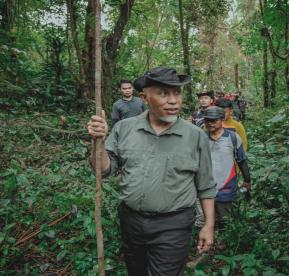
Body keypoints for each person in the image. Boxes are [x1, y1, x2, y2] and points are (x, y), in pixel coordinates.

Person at [87, 67, 216, 276]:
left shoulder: (195, 136)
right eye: (163, 93)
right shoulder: (124, 129)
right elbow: (104, 170)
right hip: (131, 222)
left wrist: (208, 225)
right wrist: (98, 143)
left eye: (177, 92)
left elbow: (206, 185)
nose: (173, 100)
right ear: (144, 97)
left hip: (173, 224)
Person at [204, 106, 252, 227]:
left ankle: (223, 244)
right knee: (205, 220)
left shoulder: (233, 138)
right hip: (204, 187)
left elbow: (241, 160)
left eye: (214, 120)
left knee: (225, 220)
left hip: (226, 186)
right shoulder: (201, 138)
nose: (210, 123)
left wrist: (247, 180)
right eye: (208, 120)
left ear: (221, 120)